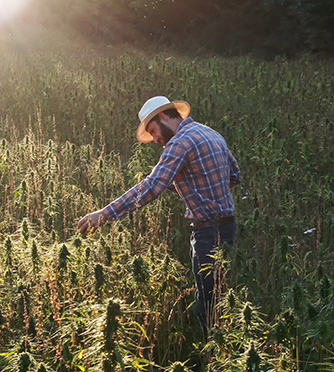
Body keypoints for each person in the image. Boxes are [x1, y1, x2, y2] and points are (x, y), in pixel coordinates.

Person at [77, 96, 241, 341]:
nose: (155, 139)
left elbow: (151, 187)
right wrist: (190, 184)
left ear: (165, 116)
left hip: (207, 233)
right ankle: (228, 352)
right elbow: (234, 176)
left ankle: (215, 359)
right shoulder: (211, 134)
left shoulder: (180, 143)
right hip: (228, 229)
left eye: (153, 130)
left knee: (207, 308)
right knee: (223, 299)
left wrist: (104, 214)